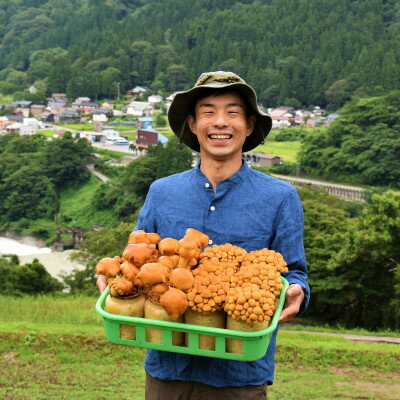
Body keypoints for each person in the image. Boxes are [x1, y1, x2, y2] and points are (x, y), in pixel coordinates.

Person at [97, 71, 310, 400]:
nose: (220, 122)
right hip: (168, 367)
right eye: (208, 112)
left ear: (250, 125)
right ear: (193, 124)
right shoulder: (162, 192)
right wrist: (116, 276)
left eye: (233, 112)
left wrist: (299, 292)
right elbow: (136, 256)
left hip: (240, 374)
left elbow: (294, 271)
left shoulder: (280, 198)